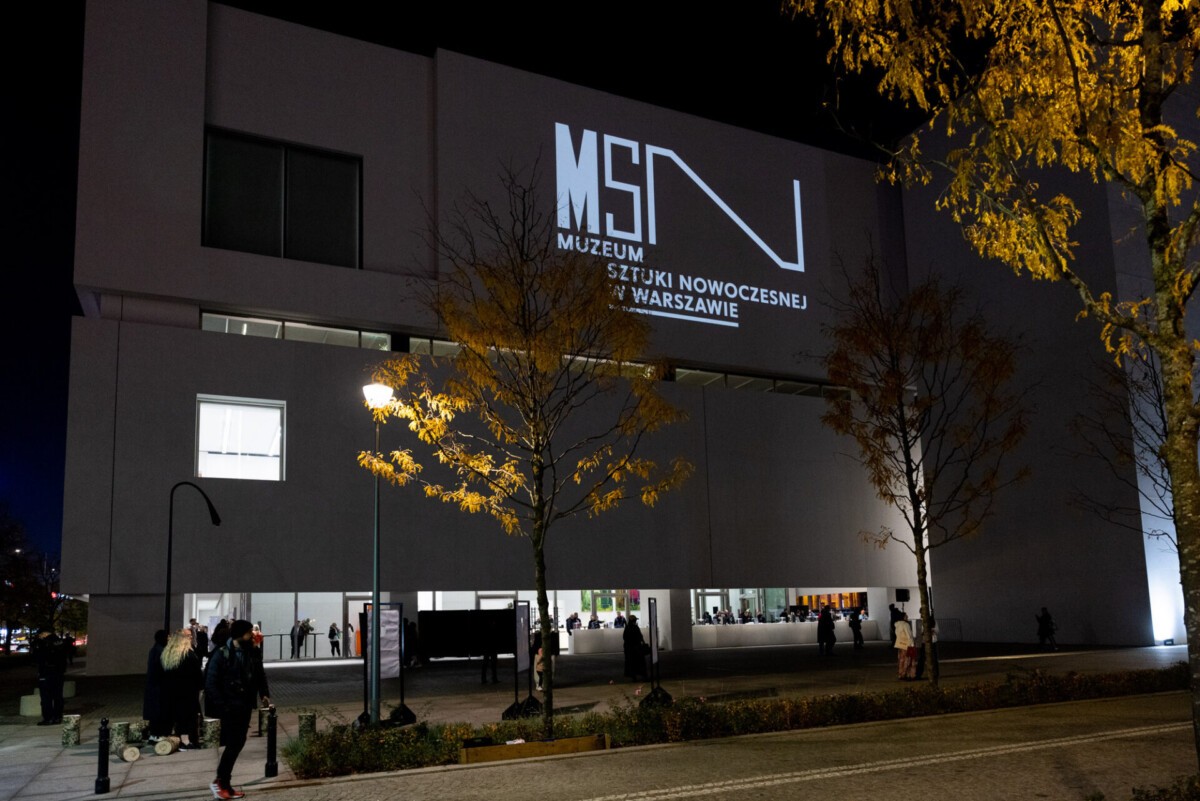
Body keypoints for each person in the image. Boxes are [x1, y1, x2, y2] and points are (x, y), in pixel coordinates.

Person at [206, 619, 270, 800]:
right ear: (240, 635)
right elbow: (210, 683)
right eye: (249, 632)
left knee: (238, 742)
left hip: (244, 705)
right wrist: (222, 706)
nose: (252, 635)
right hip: (230, 707)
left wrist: (264, 694)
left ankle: (222, 782)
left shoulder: (252, 651)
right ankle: (221, 782)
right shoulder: (222, 654)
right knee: (234, 743)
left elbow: (260, 674)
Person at [161, 628, 203, 749]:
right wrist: (201, 687)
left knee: (179, 717)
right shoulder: (188, 654)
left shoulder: (168, 654)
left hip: (173, 691)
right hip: (188, 691)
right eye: (188, 636)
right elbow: (197, 674)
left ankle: (180, 739)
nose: (191, 637)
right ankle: (190, 741)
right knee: (190, 717)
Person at [32, 630, 68, 726]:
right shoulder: (60, 642)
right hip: (59, 673)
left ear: (44, 633)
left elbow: (37, 657)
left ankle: (48, 718)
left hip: (46, 672)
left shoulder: (42, 643)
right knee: (58, 696)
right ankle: (57, 717)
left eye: (40, 634)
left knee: (46, 697)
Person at [143, 629, 170, 739]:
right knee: (159, 711)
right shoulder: (161, 651)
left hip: (154, 687)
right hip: (159, 687)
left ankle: (154, 734)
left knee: (155, 713)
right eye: (167, 637)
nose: (169, 639)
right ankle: (158, 734)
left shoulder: (154, 650)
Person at [622, 614, 648, 680]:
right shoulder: (635, 627)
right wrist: (643, 642)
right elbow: (640, 636)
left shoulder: (627, 627)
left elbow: (624, 637)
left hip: (629, 648)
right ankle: (643, 676)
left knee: (631, 662)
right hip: (637, 647)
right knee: (640, 662)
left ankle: (633, 677)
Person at [894, 612, 917, 680]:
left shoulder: (897, 625)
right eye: (906, 616)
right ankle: (909, 674)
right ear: (903, 617)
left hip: (900, 645)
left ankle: (901, 674)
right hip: (907, 645)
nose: (907, 617)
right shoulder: (906, 625)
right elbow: (909, 635)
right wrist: (912, 644)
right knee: (909, 660)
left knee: (901, 660)